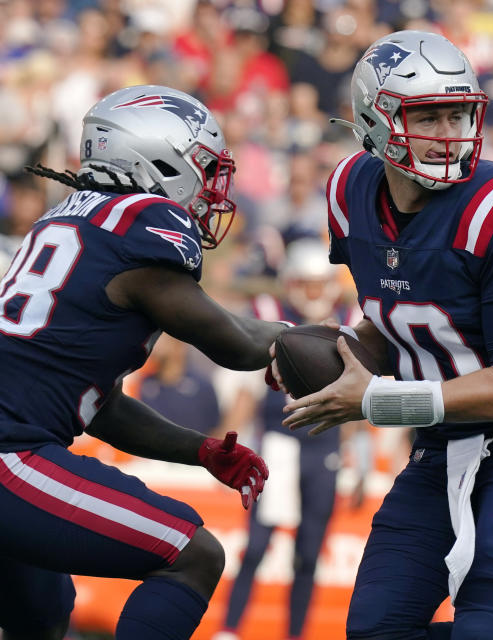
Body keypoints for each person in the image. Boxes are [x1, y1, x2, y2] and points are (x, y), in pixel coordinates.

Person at [270, 30, 493, 640]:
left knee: (485, 628)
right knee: (375, 631)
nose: (448, 132)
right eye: (427, 116)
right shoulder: (348, 191)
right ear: (374, 122)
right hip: (441, 446)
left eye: (457, 113)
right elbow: (394, 320)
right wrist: (331, 357)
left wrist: (374, 399)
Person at [0, 85, 288, 640]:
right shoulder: (141, 224)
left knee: (42, 617)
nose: (211, 190)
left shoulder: (72, 217)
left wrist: (199, 450)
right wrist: (311, 337)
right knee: (193, 554)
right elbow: (236, 344)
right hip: (11, 457)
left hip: (18, 449)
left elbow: (96, 405)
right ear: (158, 159)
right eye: (204, 168)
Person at [214, 239, 365, 640]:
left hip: (325, 443)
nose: (315, 293)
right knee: (258, 545)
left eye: (320, 284)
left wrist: (361, 454)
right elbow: (246, 387)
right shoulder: (272, 315)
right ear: (292, 282)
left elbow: (365, 393)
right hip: (279, 441)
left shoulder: (349, 318)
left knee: (310, 552)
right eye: (307, 283)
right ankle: (229, 629)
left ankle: (295, 634)